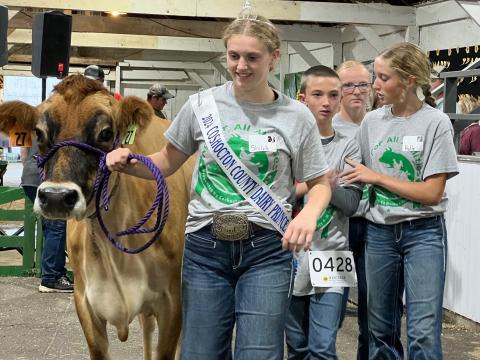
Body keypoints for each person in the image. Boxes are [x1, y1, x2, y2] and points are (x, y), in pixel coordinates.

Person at [106, 13, 332, 360]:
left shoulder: (297, 116)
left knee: (258, 353)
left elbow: (319, 184)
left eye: (252, 58)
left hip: (268, 251)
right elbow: (167, 160)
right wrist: (128, 163)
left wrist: (309, 216)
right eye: (234, 56)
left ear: (274, 57)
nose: (241, 66)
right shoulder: (201, 106)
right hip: (205, 249)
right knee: (200, 354)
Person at [340, 42, 458, 359]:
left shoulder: (435, 123)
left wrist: (377, 177)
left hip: (424, 234)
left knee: (422, 332)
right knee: (380, 330)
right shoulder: (371, 122)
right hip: (379, 234)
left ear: (407, 81)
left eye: (382, 77)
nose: (375, 85)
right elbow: (354, 173)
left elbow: (431, 192)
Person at [285, 65, 362, 360]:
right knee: (297, 345)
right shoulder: (287, 141)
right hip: (290, 255)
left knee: (322, 347)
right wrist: (314, 185)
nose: (326, 103)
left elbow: (352, 204)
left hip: (333, 253)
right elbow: (278, 196)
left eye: (333, 95)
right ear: (303, 99)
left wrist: (331, 189)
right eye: (318, 95)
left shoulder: (349, 144)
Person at [333, 60, 372, 360]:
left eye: (363, 84)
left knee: (375, 314)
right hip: (335, 227)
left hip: (374, 228)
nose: (357, 91)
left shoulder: (380, 124)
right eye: (348, 85)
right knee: (330, 310)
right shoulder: (327, 127)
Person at [21, 142, 73, 293]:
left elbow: (24, 150)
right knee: (57, 226)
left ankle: (54, 274)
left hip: (29, 176)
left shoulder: (34, 124)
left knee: (51, 226)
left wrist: (29, 167)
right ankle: (51, 278)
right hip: (46, 175)